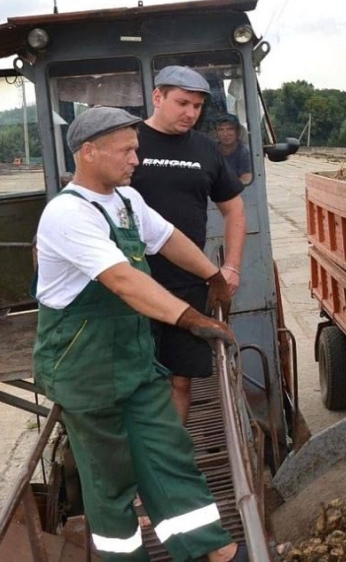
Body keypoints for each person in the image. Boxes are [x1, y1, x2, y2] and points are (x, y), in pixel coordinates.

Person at [33, 107, 245, 561]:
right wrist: (191, 319)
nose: (136, 160)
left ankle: (213, 549)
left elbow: (168, 238)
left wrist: (214, 276)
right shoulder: (67, 214)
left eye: (137, 149)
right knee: (110, 480)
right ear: (89, 152)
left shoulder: (127, 202)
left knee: (169, 452)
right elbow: (124, 281)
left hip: (133, 360)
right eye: (127, 150)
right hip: (83, 369)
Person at [131, 66, 247, 424]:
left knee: (179, 379)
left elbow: (235, 209)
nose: (190, 113)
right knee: (136, 380)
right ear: (157, 97)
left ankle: (175, 459)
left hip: (187, 281)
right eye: (182, 103)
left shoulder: (205, 148)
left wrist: (231, 268)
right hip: (132, 279)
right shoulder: (127, 140)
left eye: (197, 106)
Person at [215, 113, 252, 185]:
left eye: (230, 129)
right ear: (216, 133)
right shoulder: (211, 151)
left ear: (237, 131)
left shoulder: (245, 152)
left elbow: (246, 180)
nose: (225, 134)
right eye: (221, 130)